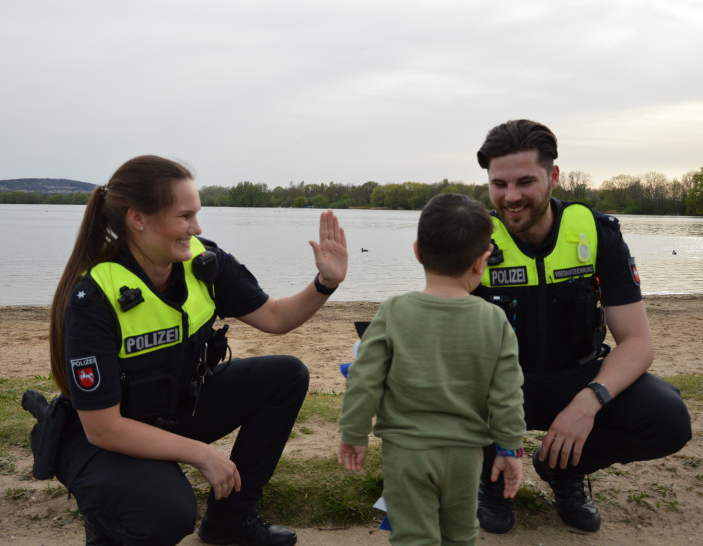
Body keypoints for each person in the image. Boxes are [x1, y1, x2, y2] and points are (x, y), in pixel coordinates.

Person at [46, 155, 348, 546]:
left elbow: (276, 317)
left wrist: (325, 283)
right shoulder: (95, 296)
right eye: (184, 215)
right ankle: (107, 526)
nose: (197, 227)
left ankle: (230, 523)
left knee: (286, 375)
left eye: (197, 214)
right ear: (139, 219)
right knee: (166, 514)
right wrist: (202, 454)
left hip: (174, 411)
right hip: (105, 437)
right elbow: (102, 427)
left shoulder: (204, 264)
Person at [473, 120, 692, 534]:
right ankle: (491, 477)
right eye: (498, 184)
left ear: (553, 176)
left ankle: (561, 467)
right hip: (499, 385)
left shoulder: (597, 235)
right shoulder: (474, 236)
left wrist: (588, 402)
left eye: (525, 181)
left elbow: (638, 343)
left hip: (576, 377)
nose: (511, 196)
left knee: (668, 418)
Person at [337, 193, 526, 545]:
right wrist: (510, 449)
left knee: (412, 537)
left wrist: (354, 433)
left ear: (417, 251)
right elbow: (507, 395)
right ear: (483, 260)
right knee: (461, 534)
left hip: (406, 454)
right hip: (466, 456)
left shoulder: (393, 311)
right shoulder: (494, 320)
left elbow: (364, 379)